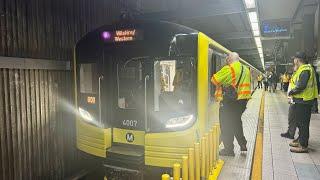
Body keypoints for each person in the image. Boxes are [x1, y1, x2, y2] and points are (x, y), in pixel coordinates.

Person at [211, 52, 251, 156]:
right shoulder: (246, 69)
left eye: (227, 58)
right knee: (236, 122)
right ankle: (243, 143)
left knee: (226, 124)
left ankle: (229, 150)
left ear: (229, 59)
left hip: (230, 101)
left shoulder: (228, 68)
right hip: (242, 102)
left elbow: (214, 80)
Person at [286, 52, 318, 153]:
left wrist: (291, 92)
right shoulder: (303, 69)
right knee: (300, 123)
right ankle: (300, 140)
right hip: (302, 101)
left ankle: (303, 146)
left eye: (294, 59)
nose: (293, 61)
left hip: (304, 101)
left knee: (303, 124)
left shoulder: (305, 70)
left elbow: (301, 85)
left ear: (298, 60)